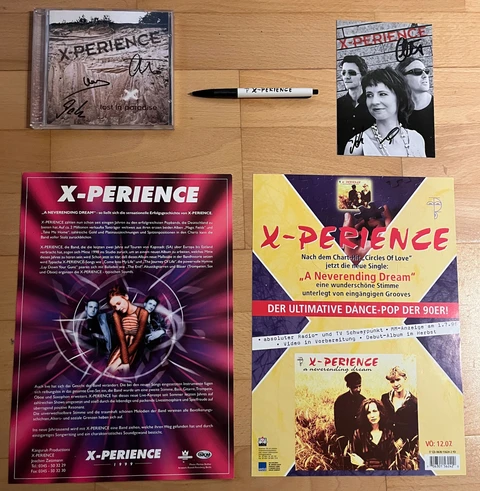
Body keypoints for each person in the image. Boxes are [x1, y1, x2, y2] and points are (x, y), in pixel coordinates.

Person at [345, 66, 426, 157]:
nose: (374, 102)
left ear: (399, 97)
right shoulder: (356, 146)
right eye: (369, 95)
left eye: (382, 94)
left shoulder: (416, 139)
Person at [396, 57, 435, 157]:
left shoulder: (438, 107)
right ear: (403, 78)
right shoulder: (397, 113)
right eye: (417, 72)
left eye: (426, 71)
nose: (425, 75)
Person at [337, 55, 375, 155]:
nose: (346, 77)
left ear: (362, 75)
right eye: (343, 73)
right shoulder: (337, 106)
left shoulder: (373, 103)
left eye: (352, 73)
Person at [106, 285, 148, 374]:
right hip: (122, 348)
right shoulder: (116, 314)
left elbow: (137, 341)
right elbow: (121, 339)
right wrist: (122, 362)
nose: (117, 308)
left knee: (122, 373)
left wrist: (123, 362)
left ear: (126, 297)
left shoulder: (143, 313)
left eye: (118, 303)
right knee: (109, 371)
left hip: (135, 349)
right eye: (114, 306)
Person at [350, 398, 397, 470]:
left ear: (380, 412)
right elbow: (355, 458)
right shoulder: (359, 434)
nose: (372, 415)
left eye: (374, 411)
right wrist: (365, 468)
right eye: (368, 413)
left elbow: (391, 460)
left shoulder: (388, 434)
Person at [381, 366, 418, 452]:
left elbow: (415, 427)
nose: (395, 384)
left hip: (405, 447)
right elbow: (382, 420)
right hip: (386, 444)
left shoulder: (414, 402)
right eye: (392, 381)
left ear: (404, 378)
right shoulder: (385, 398)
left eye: (398, 380)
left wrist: (402, 440)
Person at [334, 372, 366, 451]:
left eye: (359, 386)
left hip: (360, 437)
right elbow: (338, 424)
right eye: (355, 387)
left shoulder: (363, 400)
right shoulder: (340, 401)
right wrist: (344, 442)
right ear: (348, 386)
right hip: (345, 438)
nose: (358, 389)